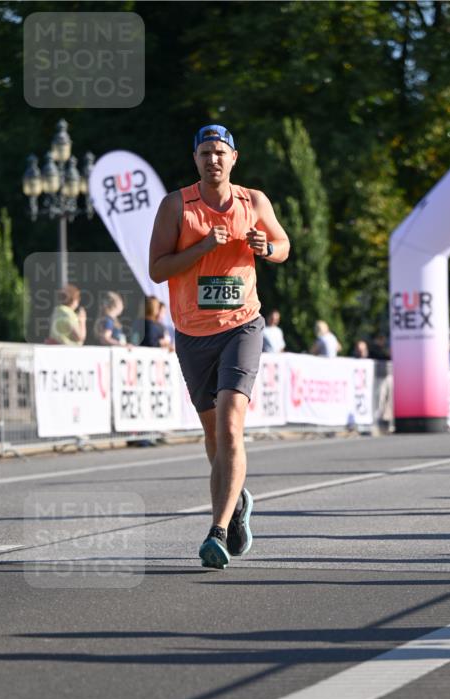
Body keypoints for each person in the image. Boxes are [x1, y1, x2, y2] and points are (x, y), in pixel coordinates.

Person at [149, 123, 290, 569]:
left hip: (242, 324)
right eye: (205, 152)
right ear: (195, 159)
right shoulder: (177, 206)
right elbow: (157, 269)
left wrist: (267, 248)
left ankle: (218, 529)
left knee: (231, 425)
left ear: (234, 158)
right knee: (213, 436)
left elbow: (284, 245)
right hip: (193, 333)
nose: (213, 159)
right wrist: (205, 245)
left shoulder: (254, 201)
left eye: (220, 152)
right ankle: (237, 500)